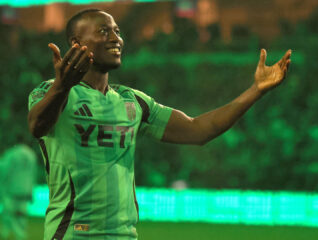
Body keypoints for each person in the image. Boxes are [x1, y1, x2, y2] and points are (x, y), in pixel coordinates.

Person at [27, 8, 291, 240]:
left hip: (124, 234)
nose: (115, 38)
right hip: (72, 233)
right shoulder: (51, 92)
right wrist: (62, 86)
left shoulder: (134, 102)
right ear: (76, 42)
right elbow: (37, 126)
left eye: (117, 31)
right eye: (103, 31)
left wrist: (255, 90)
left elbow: (199, 130)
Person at [0, 144, 37, 240]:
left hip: (12, 190)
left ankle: (8, 235)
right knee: (21, 217)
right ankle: (19, 235)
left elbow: (3, 171)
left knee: (9, 215)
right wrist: (31, 191)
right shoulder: (31, 154)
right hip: (25, 191)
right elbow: (33, 174)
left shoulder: (11, 154)